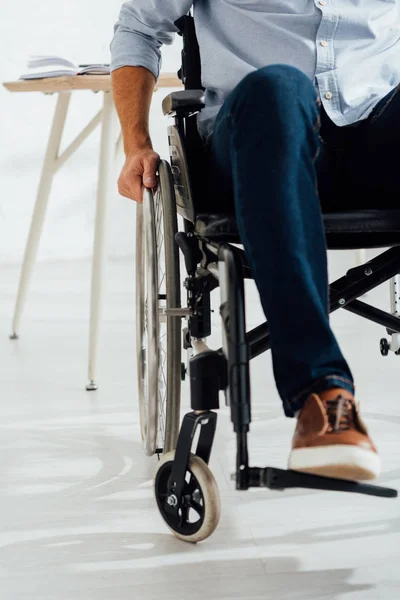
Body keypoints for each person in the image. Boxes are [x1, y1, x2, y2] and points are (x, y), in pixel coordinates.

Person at [110, 1, 400, 482]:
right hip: (258, 137)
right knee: (278, 87)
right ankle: (321, 397)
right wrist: (136, 142)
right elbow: (139, 28)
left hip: (373, 132)